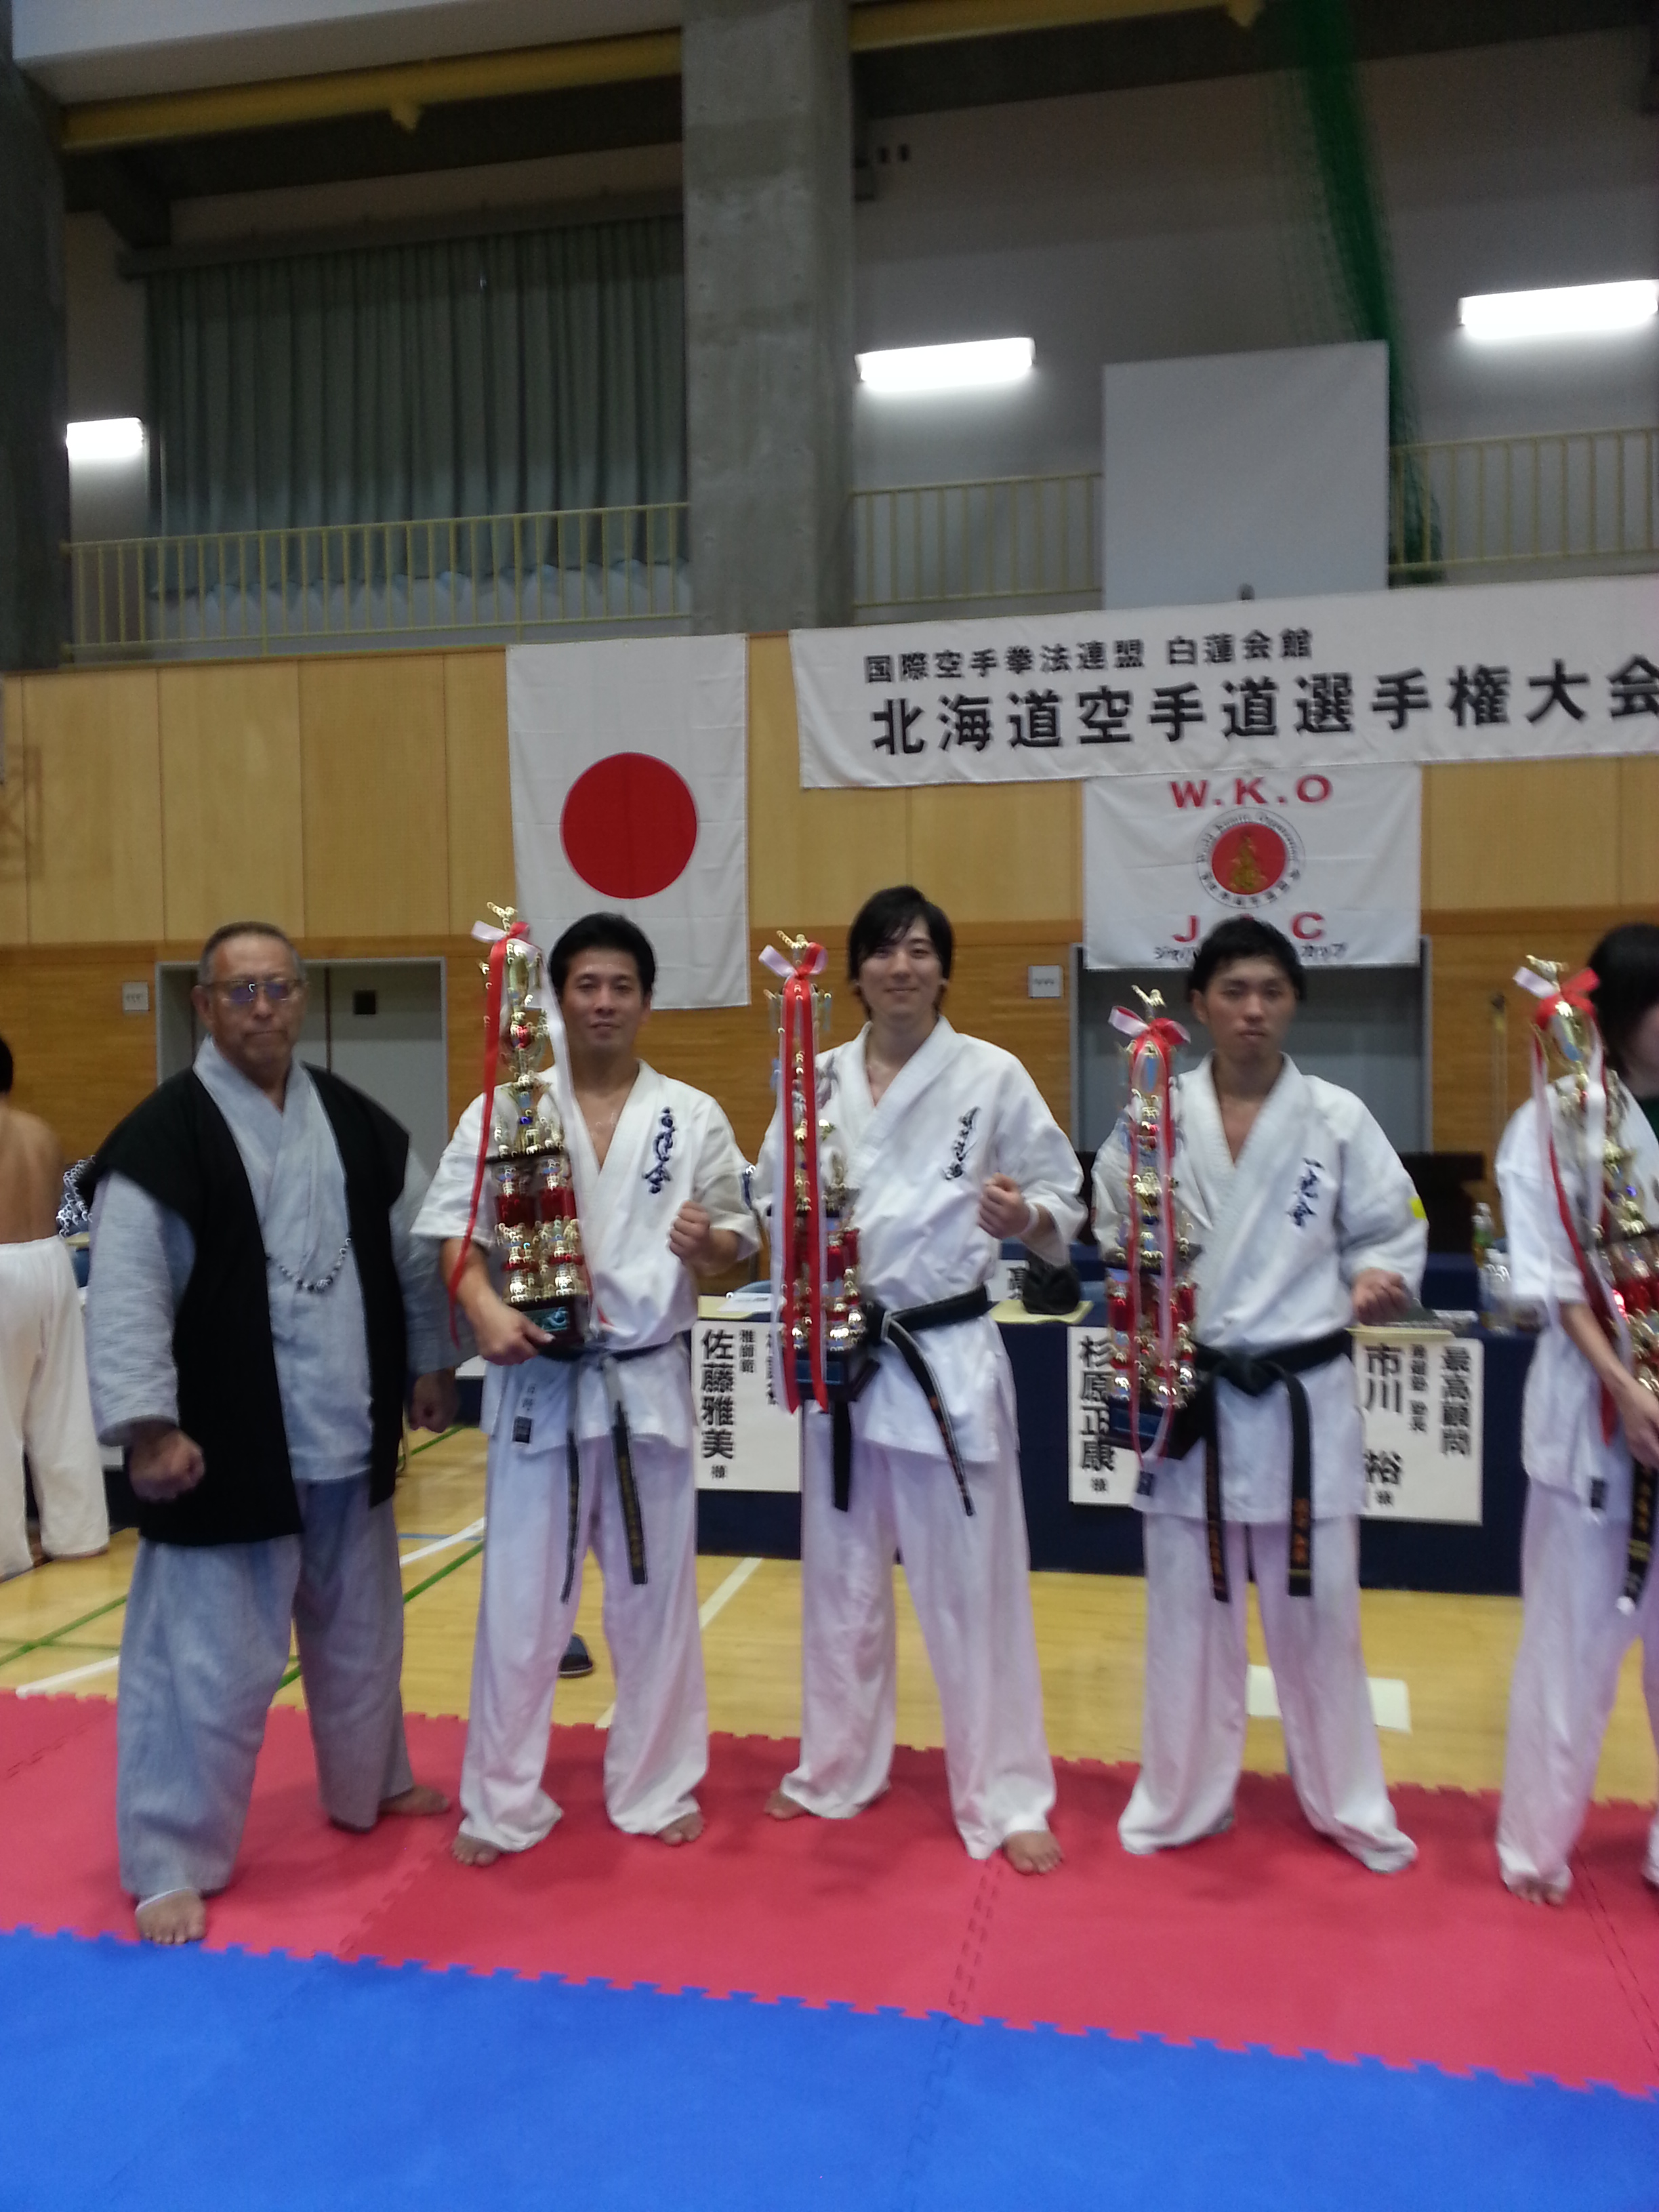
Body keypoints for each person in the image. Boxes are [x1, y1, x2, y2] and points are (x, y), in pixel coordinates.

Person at [83, 923, 455, 1946]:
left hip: (346, 1432)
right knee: (202, 1666)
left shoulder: (358, 1124)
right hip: (223, 1445)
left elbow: (416, 1251)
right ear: (203, 1006)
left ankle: (371, 1781)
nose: (262, 1008)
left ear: (302, 998)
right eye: (240, 991)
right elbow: (127, 1292)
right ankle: (169, 1857)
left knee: (364, 1638)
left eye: (279, 988)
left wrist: (431, 1363)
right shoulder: (162, 1138)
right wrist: (148, 1428)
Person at [754, 886, 1083, 1873]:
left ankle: (1008, 1794)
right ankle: (835, 1766)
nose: (902, 967)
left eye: (920, 950)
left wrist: (1025, 1219)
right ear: (855, 973)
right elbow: (770, 1197)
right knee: (842, 1586)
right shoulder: (812, 1073)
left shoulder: (992, 1073)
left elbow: (1062, 1195)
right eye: (883, 951)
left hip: (945, 1357)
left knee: (976, 1592)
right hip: (846, 1357)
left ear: (944, 970)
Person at [420, 912, 757, 1865]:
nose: (604, 1002)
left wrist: (712, 1244)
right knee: (522, 1606)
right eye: (586, 985)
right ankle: (501, 1802)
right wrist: (482, 1308)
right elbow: (457, 1238)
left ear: (647, 1002)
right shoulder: (504, 1109)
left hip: (645, 1385)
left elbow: (740, 1247)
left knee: (655, 1602)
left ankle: (655, 1785)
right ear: (556, 999)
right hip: (541, 1383)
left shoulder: (691, 1115)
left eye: (622, 986)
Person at [1094, 917, 1423, 1873]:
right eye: (1234, 991)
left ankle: (1349, 1804)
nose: (1253, 1010)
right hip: (1189, 1394)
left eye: (1272, 992)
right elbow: (1113, 1221)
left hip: (1298, 1400)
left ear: (1293, 1005)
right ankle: (1181, 1799)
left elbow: (1392, 1225)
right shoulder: (1153, 1112)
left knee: (1320, 1618)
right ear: (1198, 1006)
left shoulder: (1337, 1118)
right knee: (1187, 1617)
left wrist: (1379, 1275)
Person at [1496, 922, 1659, 1904]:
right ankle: (1535, 1846)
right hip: (1597, 1418)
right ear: (1624, 1012)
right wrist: (1629, 1389)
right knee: (1569, 1645)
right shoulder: (1557, 1122)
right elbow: (1556, 1284)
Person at [0, 1036, 108, 1580]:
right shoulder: (41, 1132)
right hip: (51, 1263)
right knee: (62, 1408)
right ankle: (79, 1532)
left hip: (3, 1270)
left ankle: (5, 1550)